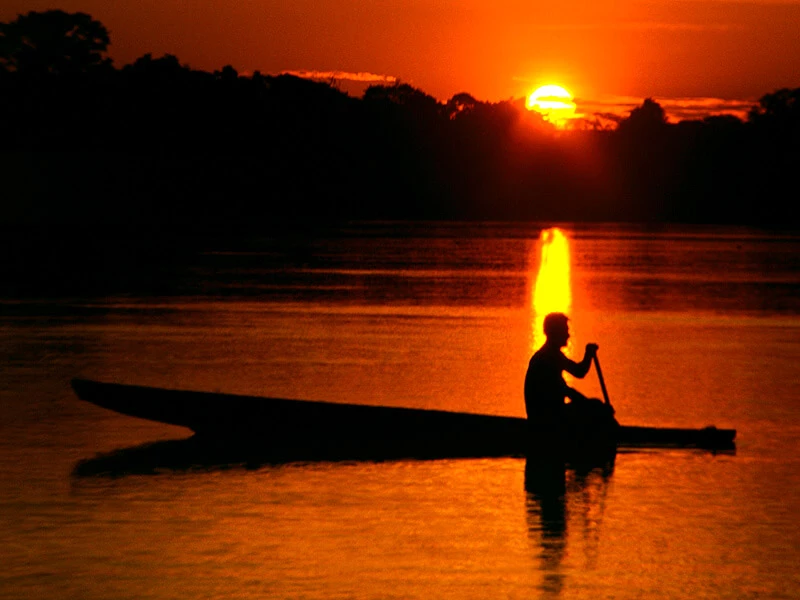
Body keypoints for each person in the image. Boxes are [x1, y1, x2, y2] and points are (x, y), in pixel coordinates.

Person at [524, 312, 613, 435]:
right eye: (565, 331)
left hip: (549, 415)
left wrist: (588, 354)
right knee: (595, 407)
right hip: (546, 419)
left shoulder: (553, 354)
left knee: (594, 406)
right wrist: (593, 406)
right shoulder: (547, 357)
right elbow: (566, 391)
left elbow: (579, 372)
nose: (568, 335)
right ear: (556, 332)